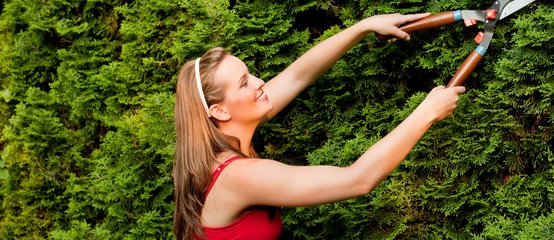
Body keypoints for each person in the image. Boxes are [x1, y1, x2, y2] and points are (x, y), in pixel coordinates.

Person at [173, 13, 466, 240]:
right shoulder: (239, 176)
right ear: (220, 111)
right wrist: (426, 113)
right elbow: (358, 180)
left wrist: (362, 27)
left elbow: (298, 76)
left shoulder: (221, 146)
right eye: (244, 82)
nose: (260, 82)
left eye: (250, 74)